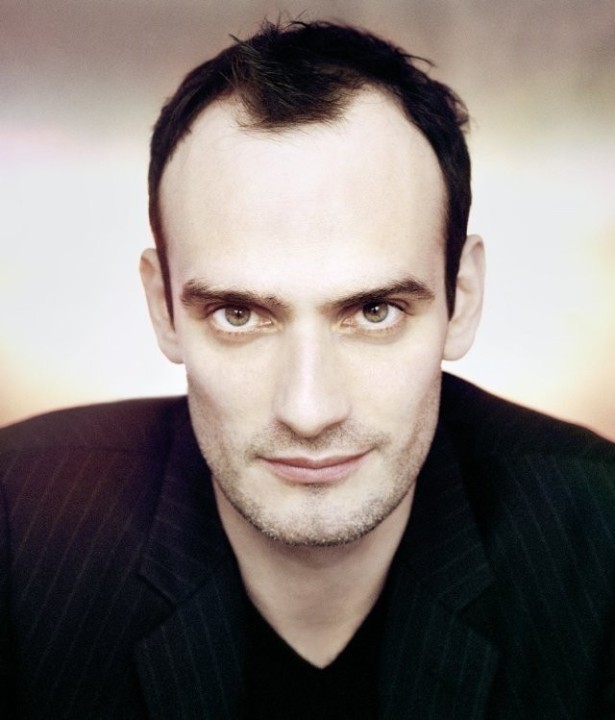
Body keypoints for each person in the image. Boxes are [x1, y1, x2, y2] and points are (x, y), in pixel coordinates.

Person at [1, 19, 613, 720]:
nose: (309, 409)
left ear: (462, 299)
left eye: (375, 311)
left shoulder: (599, 542)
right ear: (163, 308)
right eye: (238, 314)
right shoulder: (18, 531)